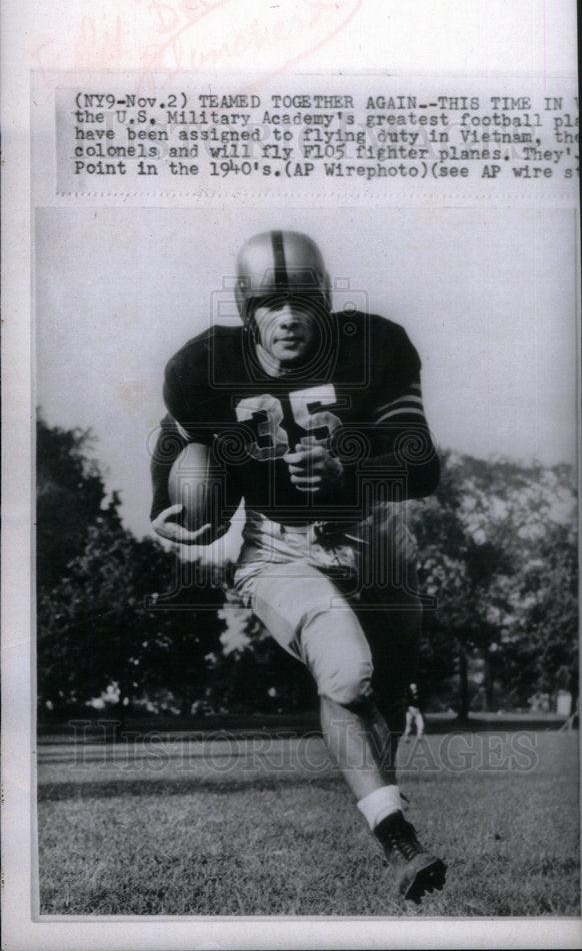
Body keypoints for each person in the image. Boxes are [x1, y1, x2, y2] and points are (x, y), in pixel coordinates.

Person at [150, 230, 446, 901]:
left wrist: (350, 462)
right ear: (246, 308)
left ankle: (381, 811)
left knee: (386, 700)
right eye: (271, 304)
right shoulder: (202, 367)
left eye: (303, 302)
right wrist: (174, 507)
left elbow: (422, 464)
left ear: (326, 303)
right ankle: (402, 843)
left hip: (377, 542)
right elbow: (180, 452)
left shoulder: (377, 346)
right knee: (347, 668)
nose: (288, 318)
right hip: (279, 550)